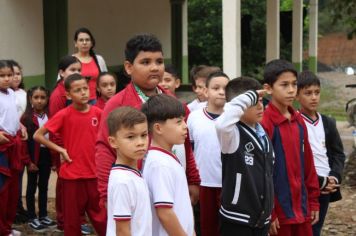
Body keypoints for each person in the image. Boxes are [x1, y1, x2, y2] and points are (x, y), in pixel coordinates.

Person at [95, 34, 200, 207]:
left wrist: (193, 179)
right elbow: (104, 148)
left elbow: (185, 143)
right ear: (129, 67)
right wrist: (107, 194)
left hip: (174, 183)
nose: (154, 68)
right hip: (140, 188)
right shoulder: (118, 104)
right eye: (145, 62)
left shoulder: (174, 102)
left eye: (159, 61)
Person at [34, 74, 106, 236]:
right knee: (72, 220)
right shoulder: (64, 114)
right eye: (77, 90)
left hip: (95, 174)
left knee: (101, 217)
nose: (83, 93)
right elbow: (38, 135)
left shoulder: (98, 113)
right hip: (72, 175)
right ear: (68, 95)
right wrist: (60, 149)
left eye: (85, 89)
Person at [261, 59, 320, 236]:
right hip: (279, 212)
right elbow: (262, 171)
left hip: (301, 208)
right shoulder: (265, 123)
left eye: (294, 84)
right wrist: (270, 212)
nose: (291, 90)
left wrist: (314, 200)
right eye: (284, 85)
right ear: (269, 88)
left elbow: (308, 163)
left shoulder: (299, 120)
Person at [215, 77, 274, 236]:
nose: (260, 106)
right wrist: (248, 98)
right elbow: (221, 124)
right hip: (237, 219)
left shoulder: (262, 132)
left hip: (262, 219)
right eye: (253, 103)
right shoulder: (231, 134)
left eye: (261, 101)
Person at [296, 71, 345, 236]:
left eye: (317, 93)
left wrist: (334, 176)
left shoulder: (328, 123)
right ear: (297, 96)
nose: (313, 97)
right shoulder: (294, 122)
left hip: (325, 188)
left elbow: (338, 154)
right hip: (305, 185)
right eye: (308, 93)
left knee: (316, 228)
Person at [141, 94, 194, 236]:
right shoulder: (160, 164)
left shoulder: (165, 158)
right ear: (158, 128)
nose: (185, 126)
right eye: (178, 122)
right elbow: (164, 212)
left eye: (184, 120)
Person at [187, 71, 229, 236]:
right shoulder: (194, 117)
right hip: (203, 183)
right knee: (206, 228)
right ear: (206, 91)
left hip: (229, 184)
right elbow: (189, 150)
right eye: (216, 88)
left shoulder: (235, 118)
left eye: (225, 88)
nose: (221, 92)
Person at [106, 107, 151, 236]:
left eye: (144, 135)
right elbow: (122, 231)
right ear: (113, 142)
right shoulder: (123, 181)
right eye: (131, 137)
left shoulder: (132, 174)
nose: (140, 143)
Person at [0, 59, 30, 236]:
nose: (6, 79)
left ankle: (6, 227)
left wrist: (21, 127)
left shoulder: (11, 93)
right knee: (2, 189)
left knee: (12, 189)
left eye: (9, 75)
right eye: (2, 75)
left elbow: (11, 117)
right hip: (2, 146)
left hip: (14, 143)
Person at [21, 86, 57, 232]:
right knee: (31, 187)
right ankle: (31, 217)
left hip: (46, 155)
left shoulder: (50, 115)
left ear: (47, 99)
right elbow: (23, 143)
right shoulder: (26, 118)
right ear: (30, 99)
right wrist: (28, 161)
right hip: (33, 157)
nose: (40, 101)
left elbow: (53, 137)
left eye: (43, 97)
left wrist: (54, 161)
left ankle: (43, 215)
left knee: (43, 186)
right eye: (36, 97)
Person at [7, 59, 29, 224]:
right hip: (9, 139)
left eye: (17, 74)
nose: (15, 77)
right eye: (10, 74)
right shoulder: (5, 95)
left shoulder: (23, 93)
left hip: (22, 140)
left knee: (19, 173)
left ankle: (17, 205)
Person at [73, 27, 108, 102]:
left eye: (87, 40)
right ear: (75, 43)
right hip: (77, 101)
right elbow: (62, 83)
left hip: (97, 100)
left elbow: (105, 80)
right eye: (81, 40)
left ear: (91, 43)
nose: (84, 42)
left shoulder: (99, 59)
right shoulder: (71, 60)